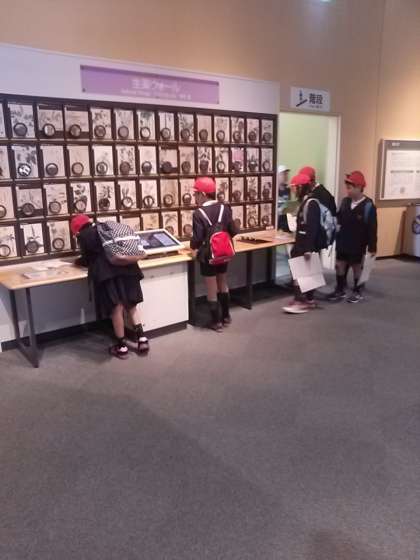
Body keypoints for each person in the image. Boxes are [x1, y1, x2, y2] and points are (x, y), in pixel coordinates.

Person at [71, 215, 150, 358]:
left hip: (108, 274)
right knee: (131, 305)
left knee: (116, 308)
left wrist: (77, 261)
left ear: (77, 230)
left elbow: (87, 259)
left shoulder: (84, 236)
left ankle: (121, 347)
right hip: (129, 268)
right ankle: (142, 339)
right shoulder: (105, 228)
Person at [191, 176, 238, 332]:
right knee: (222, 282)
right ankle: (226, 316)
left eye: (196, 194)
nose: (195, 197)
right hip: (224, 251)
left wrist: (193, 248)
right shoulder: (225, 208)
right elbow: (233, 230)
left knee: (211, 287)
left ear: (203, 194)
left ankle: (216, 322)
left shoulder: (198, 213)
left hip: (207, 255)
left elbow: (197, 238)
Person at [327, 171, 377, 303]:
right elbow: (339, 217)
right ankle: (340, 289)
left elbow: (372, 228)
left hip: (357, 243)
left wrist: (372, 247)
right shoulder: (345, 202)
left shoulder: (368, 206)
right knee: (339, 264)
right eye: (347, 188)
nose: (347, 191)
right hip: (342, 241)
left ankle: (357, 290)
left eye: (350, 188)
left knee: (356, 267)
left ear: (359, 187)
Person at [283, 173, 323, 314]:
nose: (293, 191)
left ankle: (300, 301)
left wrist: (308, 248)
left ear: (300, 187)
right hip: (303, 242)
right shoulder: (307, 202)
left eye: (294, 188)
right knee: (307, 272)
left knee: (300, 273)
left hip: (305, 244)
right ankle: (309, 300)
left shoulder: (311, 204)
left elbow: (312, 227)